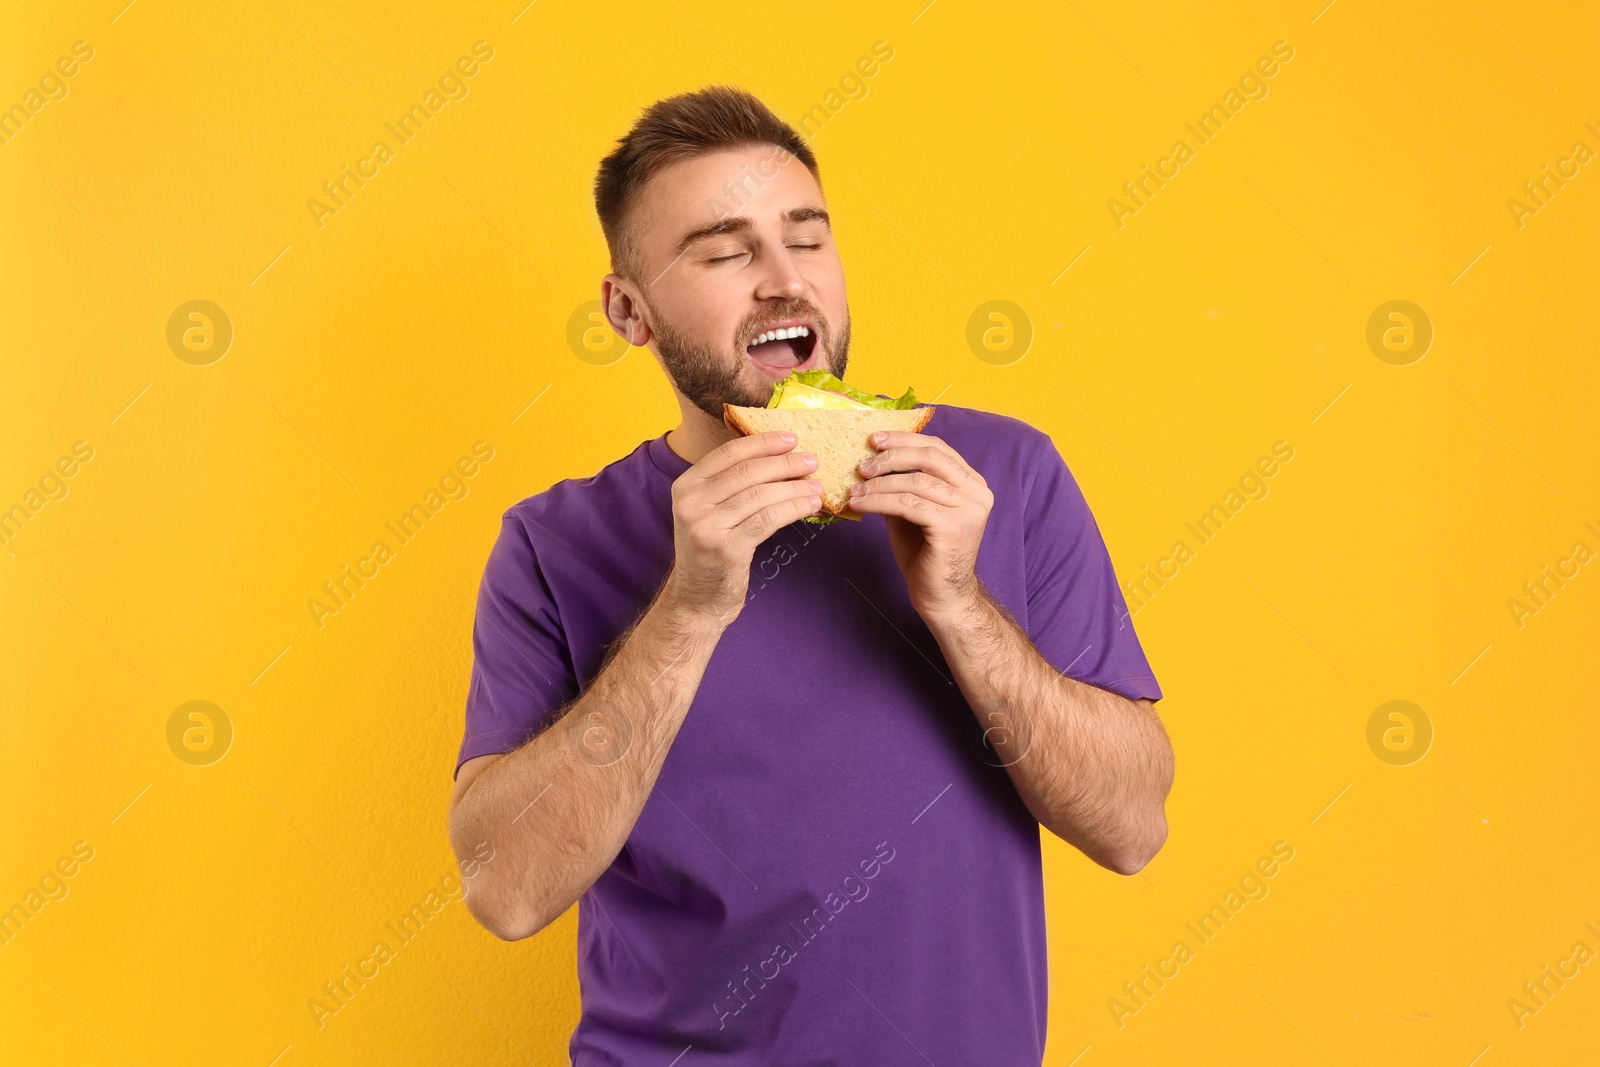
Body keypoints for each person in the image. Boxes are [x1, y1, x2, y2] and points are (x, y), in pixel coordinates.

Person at [447, 85, 1174, 1066]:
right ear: (630, 310)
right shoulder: (553, 543)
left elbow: (1133, 824)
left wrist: (958, 603)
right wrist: (688, 609)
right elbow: (505, 887)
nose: (784, 280)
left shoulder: (1001, 477)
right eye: (724, 250)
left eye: (807, 237)